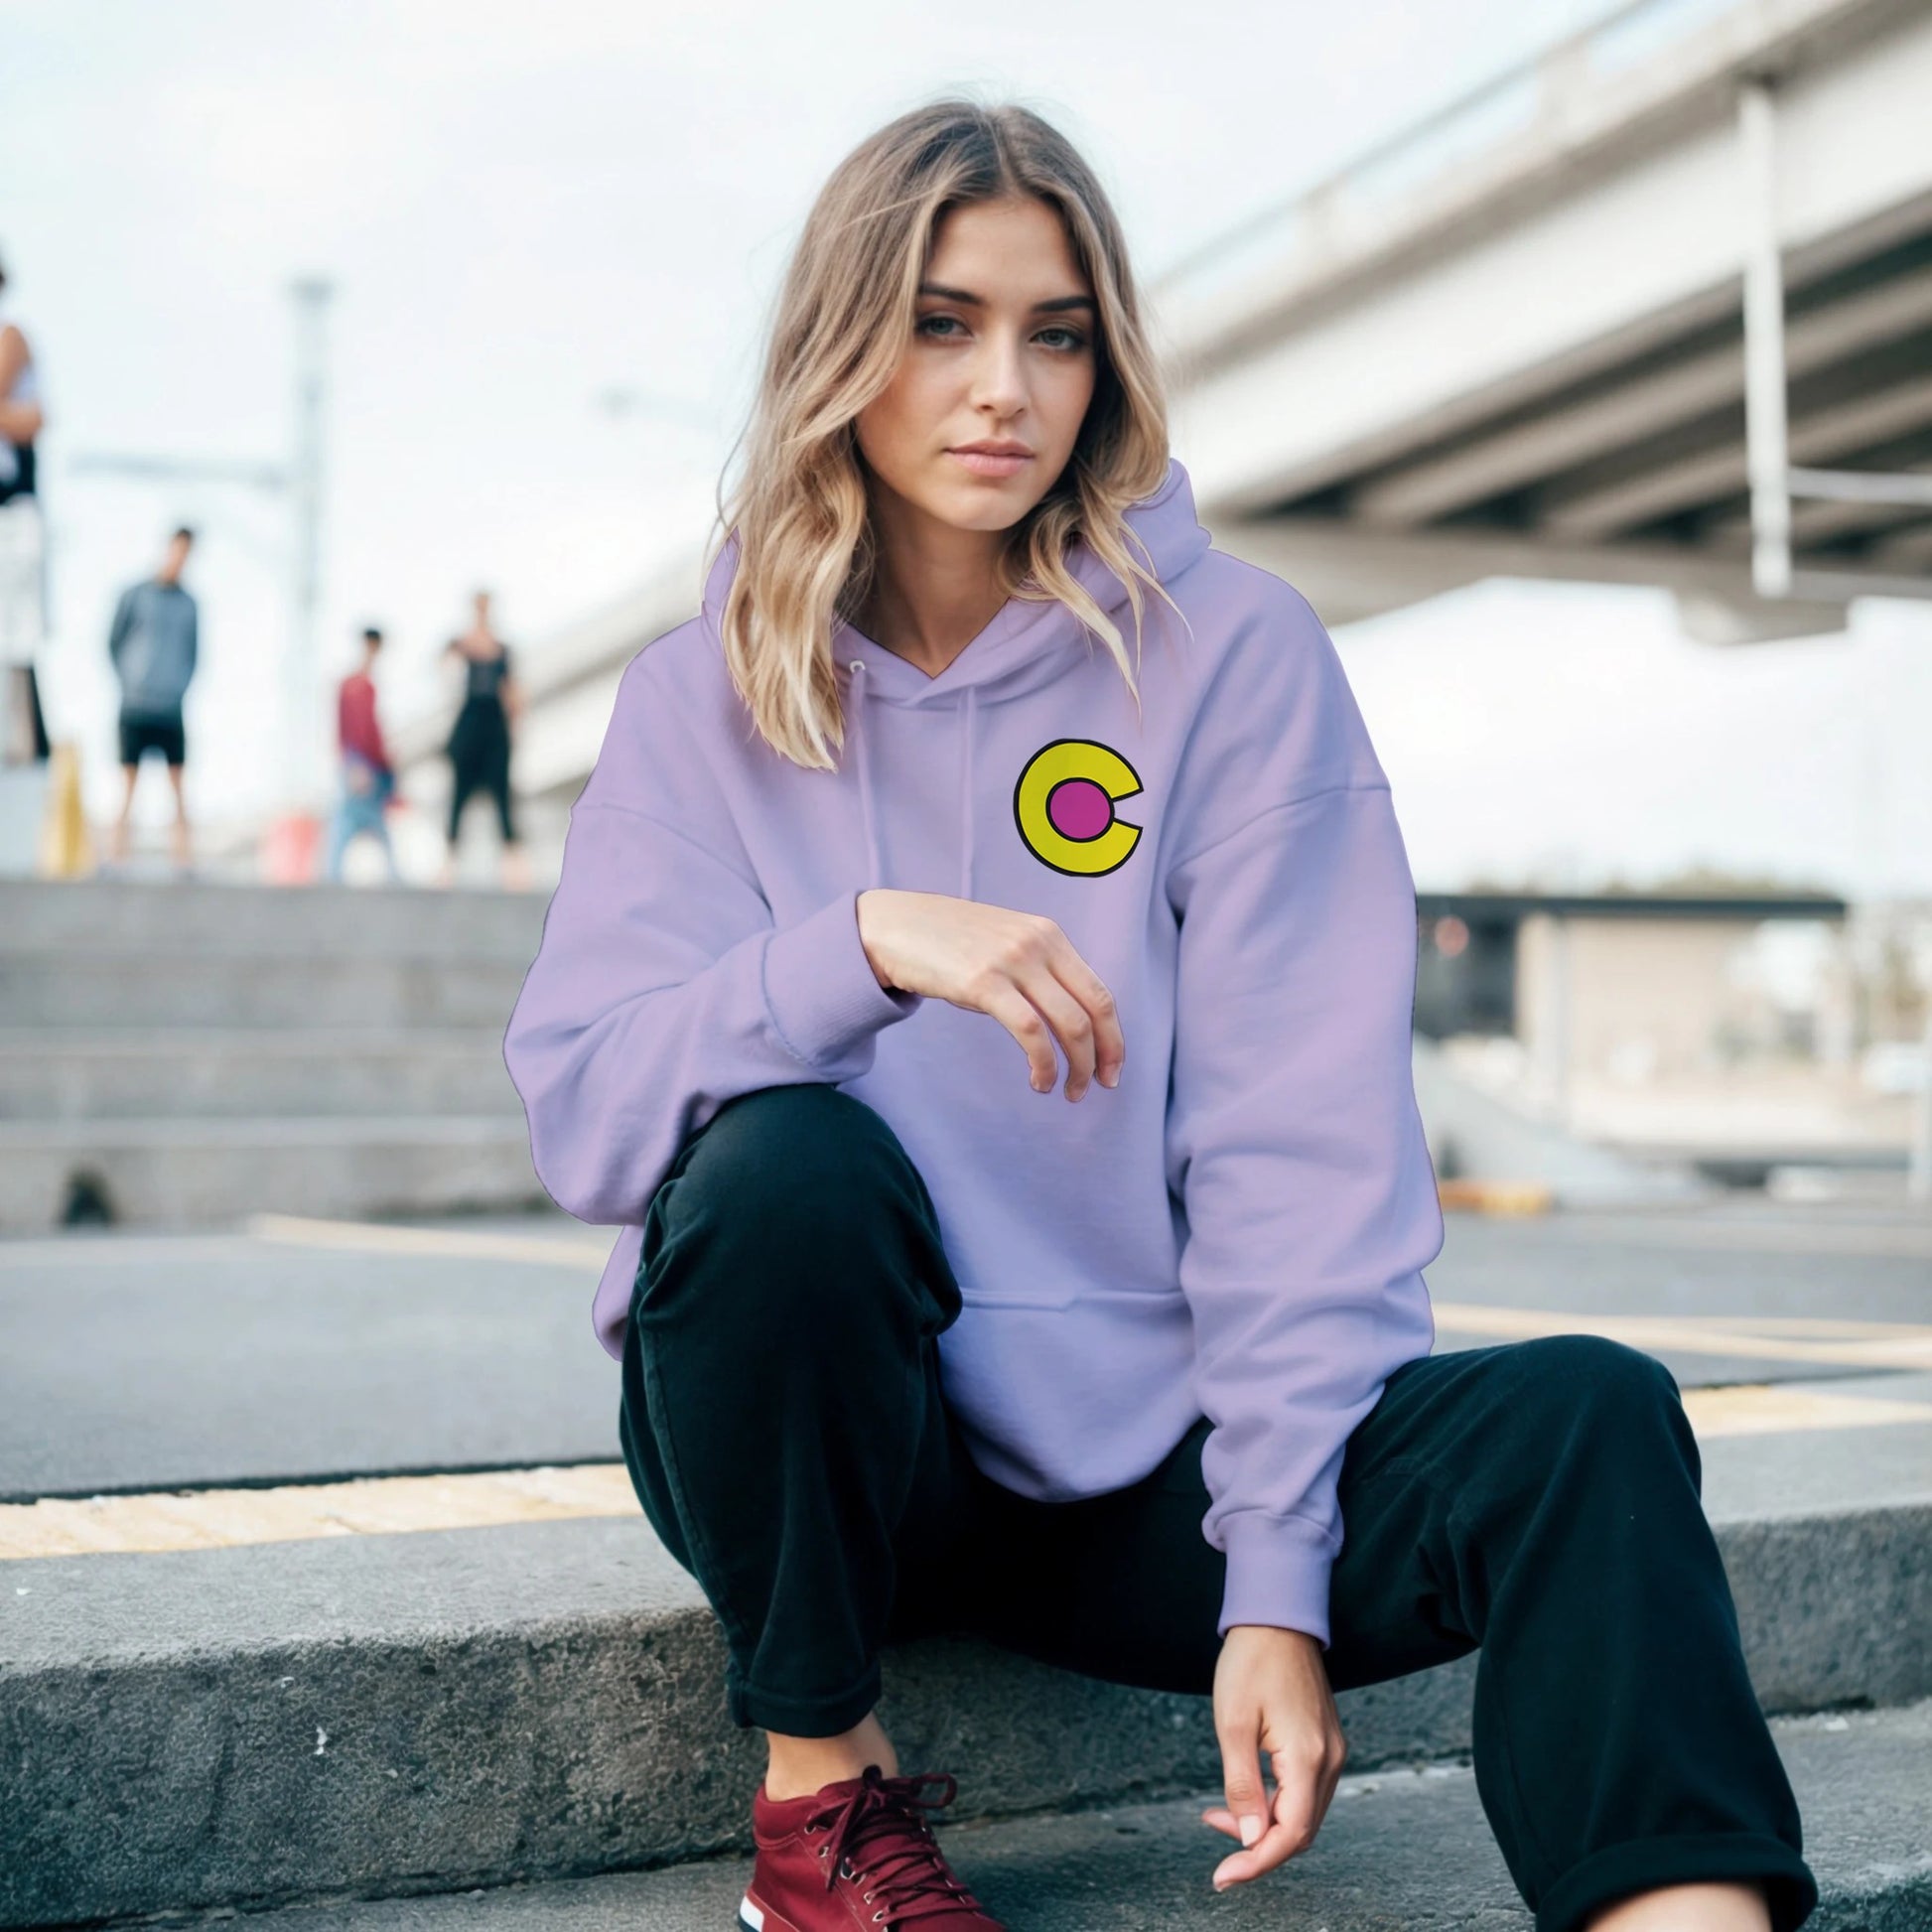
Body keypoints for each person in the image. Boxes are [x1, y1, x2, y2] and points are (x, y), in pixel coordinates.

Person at [501, 101, 1817, 1932]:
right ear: (842, 348)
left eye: (1057, 333)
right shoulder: (701, 696)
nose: (1003, 388)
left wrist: (1272, 1582)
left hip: (1161, 1483)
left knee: (1587, 1417)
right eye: (942, 323)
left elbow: (1299, 1140)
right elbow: (589, 1119)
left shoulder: (1234, 655)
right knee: (784, 1164)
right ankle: (822, 1799)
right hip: (835, 1470)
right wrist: (859, 945)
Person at [106, 526, 199, 873]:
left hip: (171, 709)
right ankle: (117, 857)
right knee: (127, 785)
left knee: (178, 788)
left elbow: (194, 654)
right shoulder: (135, 595)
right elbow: (113, 642)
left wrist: (178, 688)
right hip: (135, 705)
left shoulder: (190, 604)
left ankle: (183, 859)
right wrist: (131, 682)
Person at [439, 589, 528, 891]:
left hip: (495, 728)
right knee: (458, 796)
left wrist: (515, 727)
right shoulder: (462, 644)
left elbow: (511, 690)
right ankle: (447, 866)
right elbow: (443, 670)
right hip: (469, 725)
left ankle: (514, 870)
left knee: (503, 798)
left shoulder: (502, 648)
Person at [0, 249, 49, 755]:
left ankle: (24, 745)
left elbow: (31, 418)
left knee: (15, 641)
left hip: (11, 515)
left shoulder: (9, 336)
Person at [326, 624, 401, 884]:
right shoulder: (352, 685)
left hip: (370, 763)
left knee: (367, 820)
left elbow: (373, 729)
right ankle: (332, 875)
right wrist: (354, 764)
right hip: (360, 763)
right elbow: (348, 730)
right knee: (352, 820)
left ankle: (334, 875)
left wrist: (386, 759)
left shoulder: (368, 685)